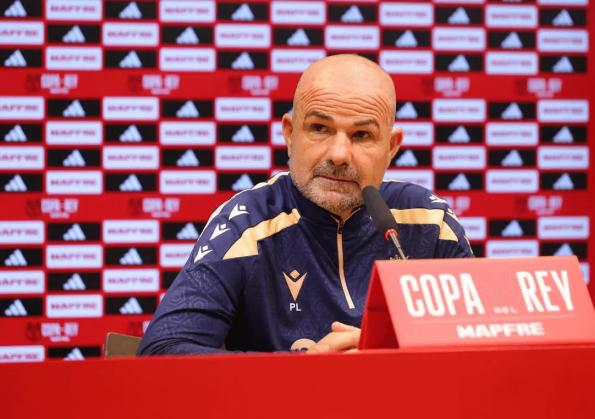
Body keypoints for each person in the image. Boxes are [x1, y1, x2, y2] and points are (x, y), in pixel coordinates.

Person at [138, 54, 473, 356]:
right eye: (319, 128)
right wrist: (304, 374)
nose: (339, 155)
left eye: (362, 136)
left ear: (391, 146)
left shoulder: (429, 220)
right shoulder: (248, 224)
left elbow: (485, 347)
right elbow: (162, 351)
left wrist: (384, 354)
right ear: (289, 133)